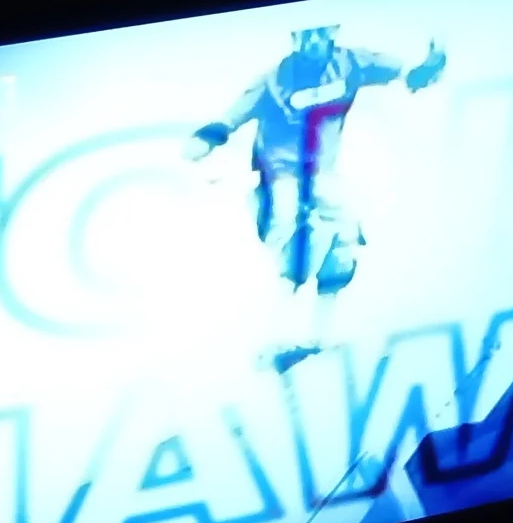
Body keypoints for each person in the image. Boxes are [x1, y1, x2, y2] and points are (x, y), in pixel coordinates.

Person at [191, 25, 445, 366]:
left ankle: (321, 334)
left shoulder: (351, 62)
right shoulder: (275, 79)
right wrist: (206, 140)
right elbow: (232, 116)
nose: (313, 42)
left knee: (342, 244)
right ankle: (276, 332)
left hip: (322, 174)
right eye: (306, 35)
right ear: (294, 38)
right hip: (280, 175)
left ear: (333, 33)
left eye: (320, 34)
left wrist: (429, 66)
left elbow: (408, 75)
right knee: (293, 242)